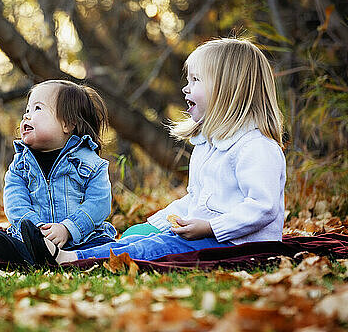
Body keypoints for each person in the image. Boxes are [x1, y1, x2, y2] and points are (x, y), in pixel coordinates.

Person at [19, 37, 287, 265]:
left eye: (196, 80)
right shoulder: (209, 146)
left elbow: (263, 207)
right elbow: (195, 200)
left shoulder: (255, 148)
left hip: (236, 244)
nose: (186, 87)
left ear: (229, 90)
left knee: (150, 249)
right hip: (205, 234)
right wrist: (156, 222)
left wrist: (210, 227)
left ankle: (71, 260)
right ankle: (56, 251)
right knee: (138, 235)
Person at [0, 80, 117, 265]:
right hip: (35, 235)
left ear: (67, 123)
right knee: (9, 239)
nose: (27, 117)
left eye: (37, 109)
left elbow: (99, 204)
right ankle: (27, 250)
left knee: (102, 248)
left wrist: (68, 228)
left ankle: (36, 256)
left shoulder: (91, 164)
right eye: (27, 110)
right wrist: (35, 229)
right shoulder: (20, 165)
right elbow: (15, 201)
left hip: (83, 238)